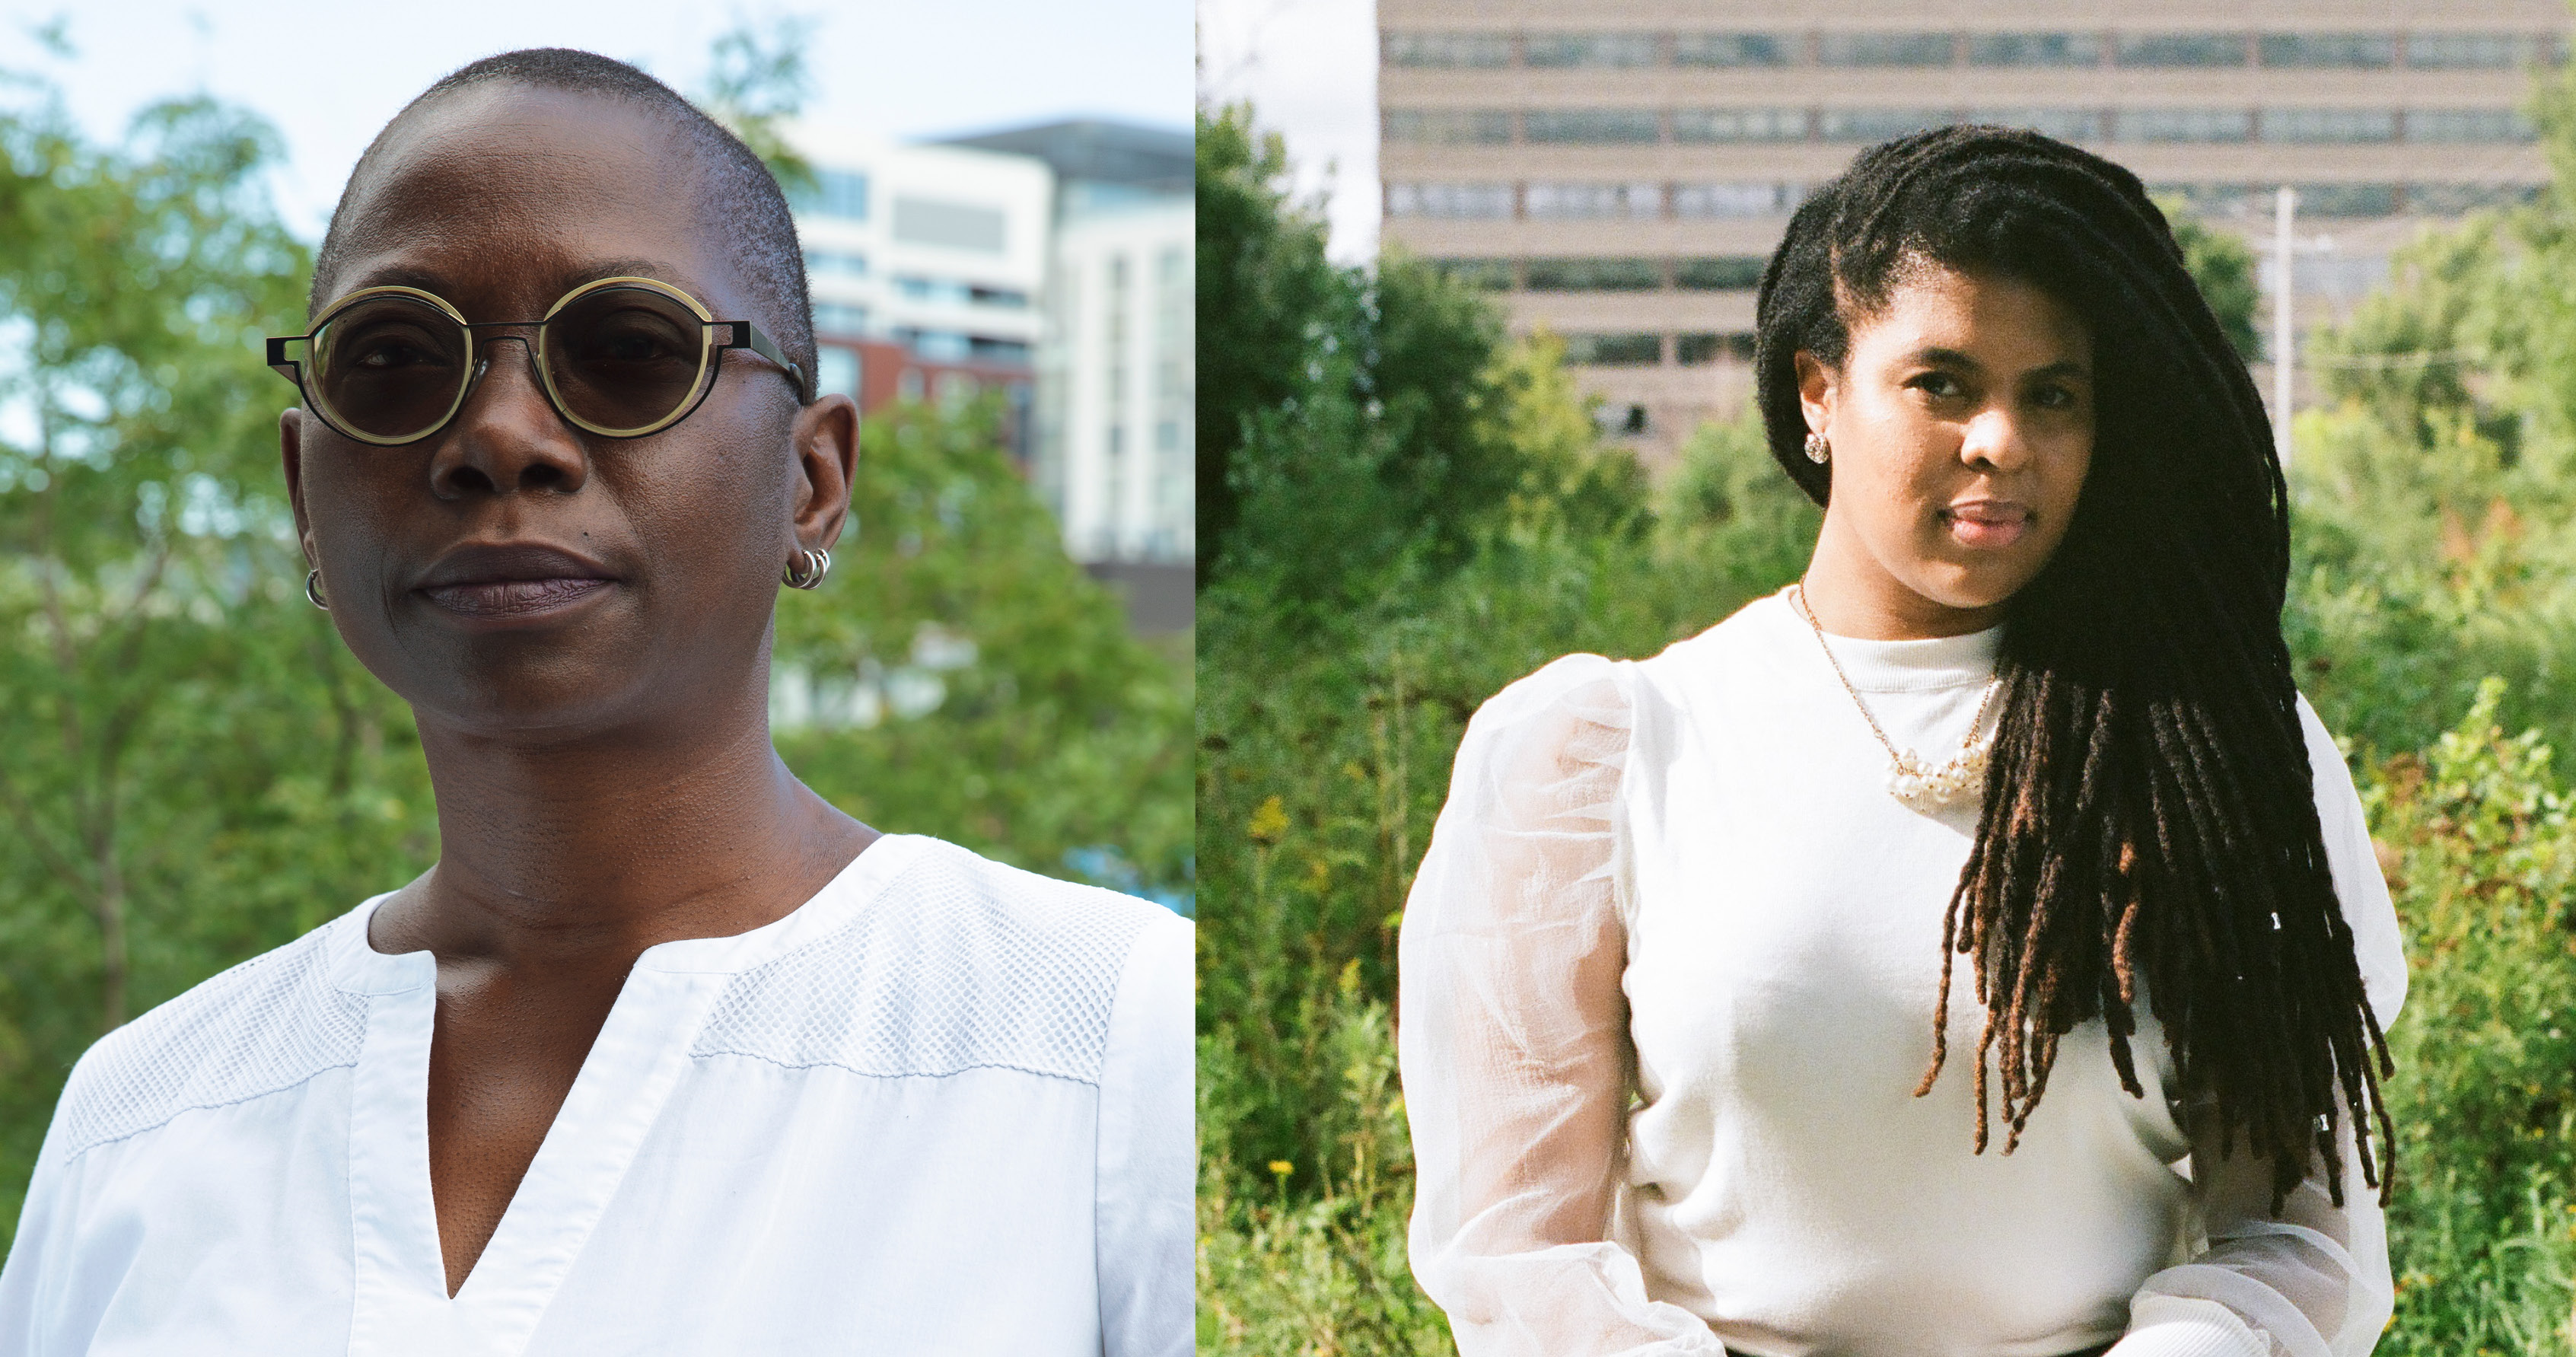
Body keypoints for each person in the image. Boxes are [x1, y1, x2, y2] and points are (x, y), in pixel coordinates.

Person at [0, 49, 1190, 1355]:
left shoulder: (1106, 1044)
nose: (500, 435)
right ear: (302, 492)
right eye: (394, 358)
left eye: (629, 350)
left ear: (811, 481)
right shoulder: (141, 1120)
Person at [1397, 126, 2405, 1357]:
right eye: (1942, 383)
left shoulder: (2210, 751)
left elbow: (2301, 1238)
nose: (2001, 441)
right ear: (1819, 391)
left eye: (2055, 394)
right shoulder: (1604, 754)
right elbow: (1523, 1258)